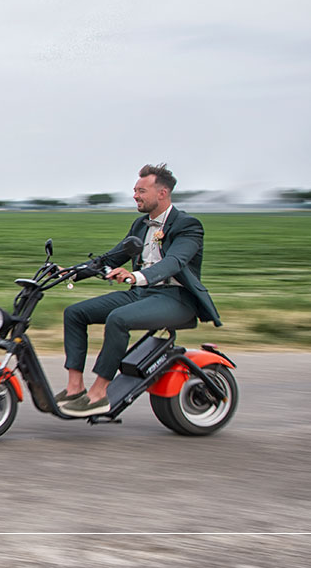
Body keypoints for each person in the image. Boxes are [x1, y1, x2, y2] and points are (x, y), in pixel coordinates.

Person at [58, 163, 221, 416]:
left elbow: (173, 263)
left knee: (118, 319)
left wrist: (135, 276)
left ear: (162, 193)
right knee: (75, 313)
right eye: (135, 190)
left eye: (141, 190)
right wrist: (70, 272)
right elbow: (111, 258)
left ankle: (99, 393)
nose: (135, 195)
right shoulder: (141, 225)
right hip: (141, 294)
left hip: (176, 299)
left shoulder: (188, 225)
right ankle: (74, 388)